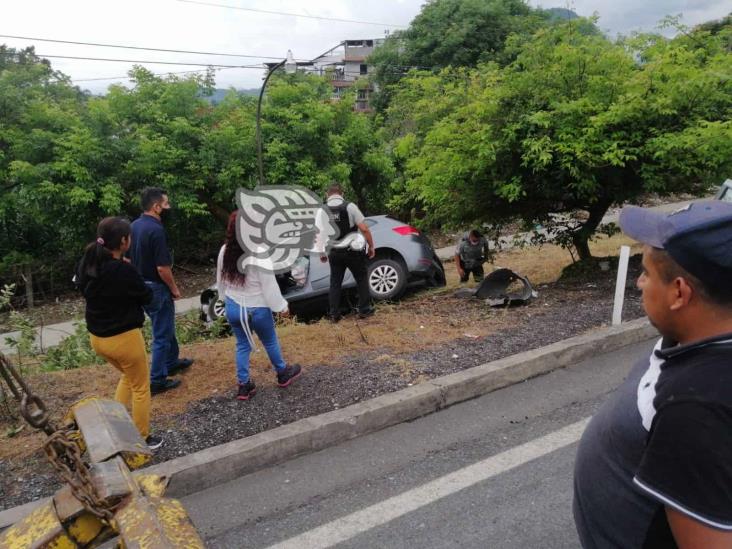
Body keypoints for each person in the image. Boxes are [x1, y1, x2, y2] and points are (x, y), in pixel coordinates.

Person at [573, 200, 732, 548]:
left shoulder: (697, 409)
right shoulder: (699, 335)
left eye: (645, 272)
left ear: (679, 292)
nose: (640, 284)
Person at [77, 217, 162, 449]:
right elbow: (147, 296)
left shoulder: (88, 262)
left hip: (98, 339)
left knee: (128, 376)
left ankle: (115, 425)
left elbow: (83, 286)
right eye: (129, 237)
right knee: (142, 387)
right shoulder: (123, 270)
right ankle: (142, 439)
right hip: (124, 339)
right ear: (124, 241)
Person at [217, 211, 302, 400]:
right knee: (270, 341)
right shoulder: (259, 252)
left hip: (234, 308)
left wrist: (224, 299)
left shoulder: (225, 250)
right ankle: (282, 373)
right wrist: (281, 307)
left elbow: (220, 279)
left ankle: (244, 386)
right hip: (257, 309)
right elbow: (269, 286)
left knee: (242, 345)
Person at [129, 187, 193, 395]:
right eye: (166, 204)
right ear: (156, 207)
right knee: (161, 334)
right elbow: (162, 267)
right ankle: (157, 380)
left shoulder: (134, 226)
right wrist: (174, 288)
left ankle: (171, 362)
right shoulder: (156, 230)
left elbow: (127, 257)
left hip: (140, 284)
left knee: (165, 325)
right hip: (156, 287)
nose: (168, 208)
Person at [315, 183, 376, 322]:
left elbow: (319, 234)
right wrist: (371, 246)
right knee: (361, 278)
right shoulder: (350, 206)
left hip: (334, 252)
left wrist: (321, 253)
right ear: (342, 194)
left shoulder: (322, 211)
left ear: (327, 194)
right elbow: (364, 228)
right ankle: (364, 310)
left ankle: (334, 315)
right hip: (352, 251)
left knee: (335, 282)